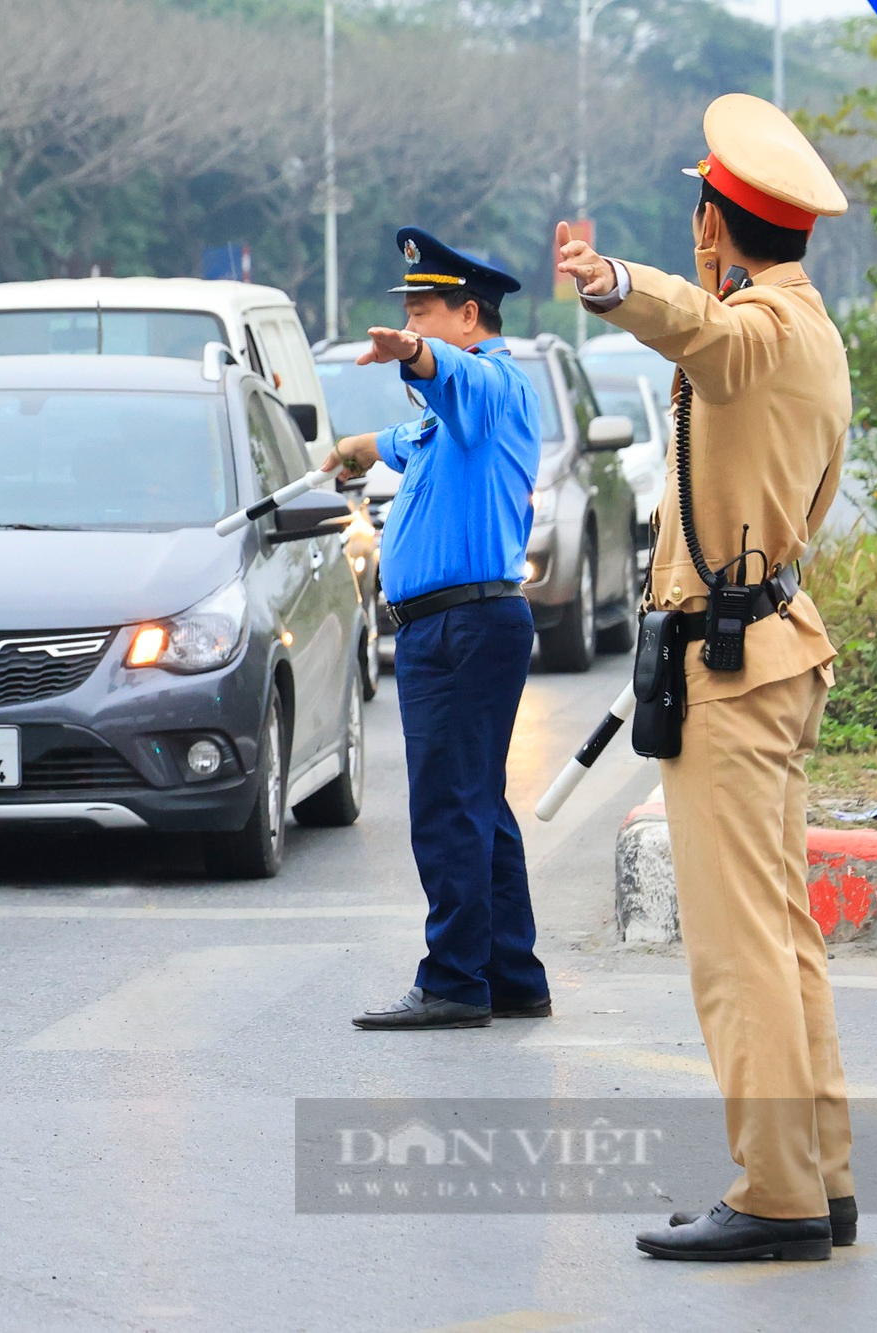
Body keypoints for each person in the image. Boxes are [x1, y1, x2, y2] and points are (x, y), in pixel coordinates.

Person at [556, 93, 855, 1262]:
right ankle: (814, 1177)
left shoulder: (760, 332)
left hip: (733, 670)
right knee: (779, 937)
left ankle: (775, 1193)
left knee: (738, 952)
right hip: (765, 645)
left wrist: (608, 281)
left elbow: (704, 337)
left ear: (708, 225)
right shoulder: (807, 322)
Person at [329, 228, 550, 1033]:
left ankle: (454, 976)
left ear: (468, 315)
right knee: (478, 802)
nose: (411, 327)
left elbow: (453, 379)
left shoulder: (492, 384)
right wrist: (355, 448)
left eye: (424, 312)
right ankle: (510, 971)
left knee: (447, 807)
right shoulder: (443, 421)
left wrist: (419, 357)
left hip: (461, 626)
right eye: (408, 315)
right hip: (461, 625)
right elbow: (405, 440)